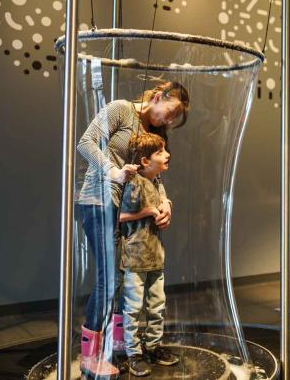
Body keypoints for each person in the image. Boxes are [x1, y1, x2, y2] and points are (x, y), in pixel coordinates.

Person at [76, 81, 189, 377]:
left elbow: (153, 176)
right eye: (170, 112)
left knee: (123, 276)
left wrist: (164, 203)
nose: (169, 121)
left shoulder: (153, 133)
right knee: (108, 279)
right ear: (157, 97)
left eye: (174, 119)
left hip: (123, 211)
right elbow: (85, 143)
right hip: (98, 201)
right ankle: (90, 356)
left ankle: (117, 344)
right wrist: (113, 172)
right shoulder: (120, 110)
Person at [118, 132, 180, 376]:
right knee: (133, 308)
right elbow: (120, 216)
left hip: (155, 256)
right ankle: (133, 352)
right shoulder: (134, 183)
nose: (167, 155)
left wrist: (166, 205)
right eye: (160, 152)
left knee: (157, 306)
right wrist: (147, 211)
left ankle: (153, 346)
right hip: (135, 258)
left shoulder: (156, 181)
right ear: (145, 161)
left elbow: (162, 200)